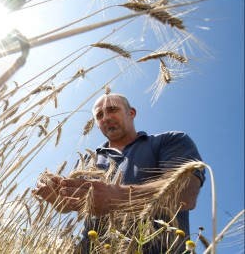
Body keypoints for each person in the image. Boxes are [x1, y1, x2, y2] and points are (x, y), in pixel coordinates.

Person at [33, 93, 205, 253]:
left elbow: (185, 194)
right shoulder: (87, 160)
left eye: (112, 110)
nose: (106, 118)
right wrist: (59, 198)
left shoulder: (170, 141)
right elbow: (73, 204)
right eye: (99, 116)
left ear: (131, 113)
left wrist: (118, 197)